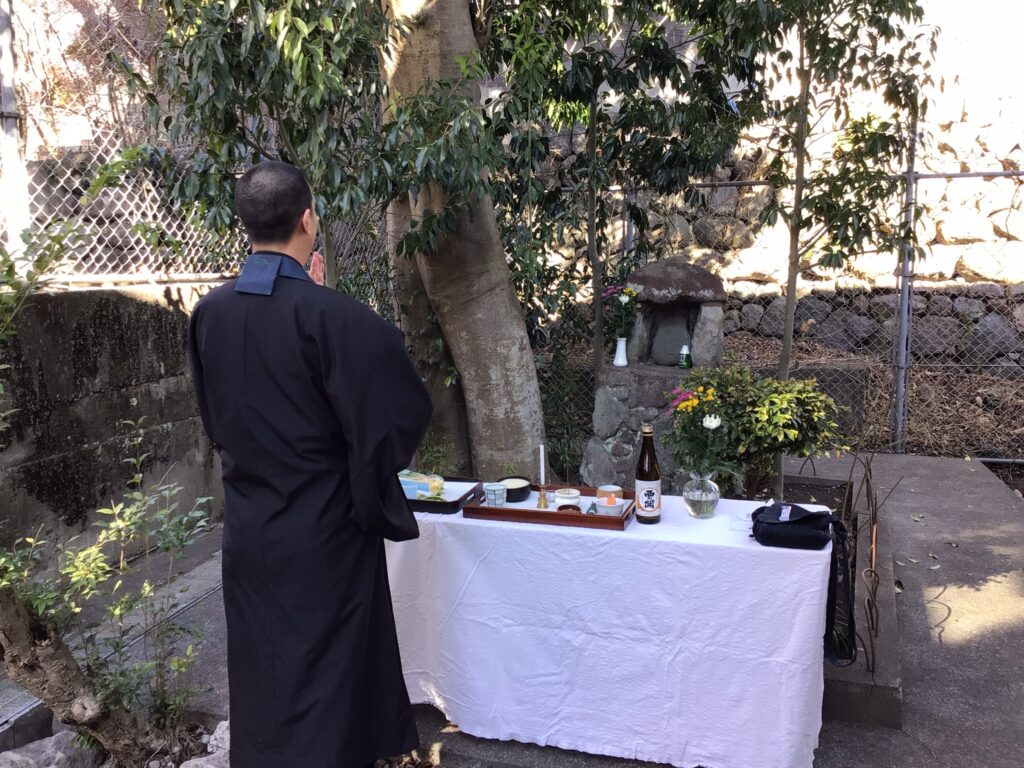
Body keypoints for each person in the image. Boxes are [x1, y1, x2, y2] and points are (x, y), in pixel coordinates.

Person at [187, 161, 432, 768]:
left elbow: (216, 419)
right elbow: (397, 417)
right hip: (324, 534)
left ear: (245, 224)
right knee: (328, 686)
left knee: (264, 678)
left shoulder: (210, 313)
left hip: (249, 530)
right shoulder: (339, 318)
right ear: (308, 220)